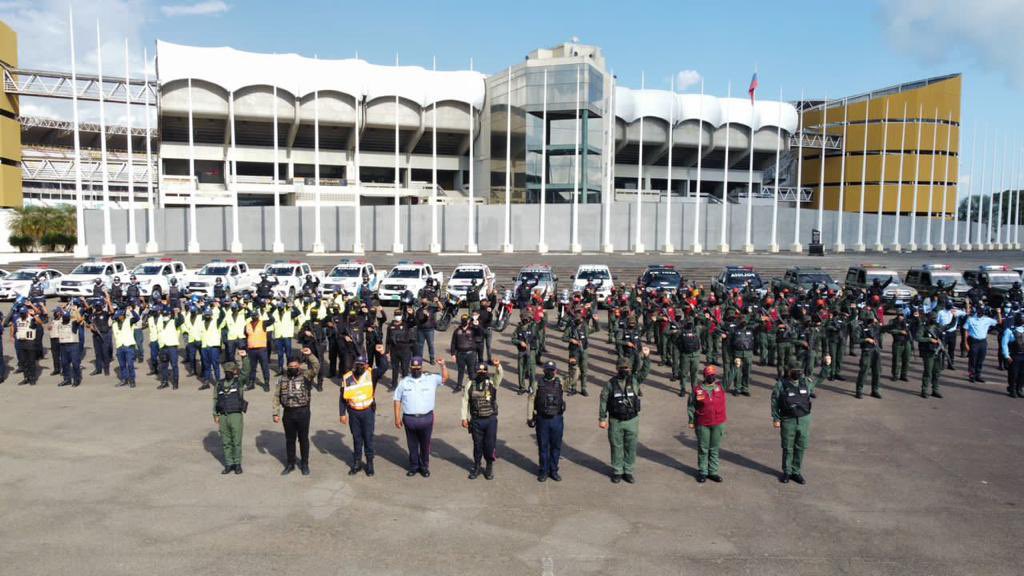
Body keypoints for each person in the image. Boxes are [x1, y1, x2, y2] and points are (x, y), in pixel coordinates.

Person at [771, 356, 830, 484]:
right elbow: (774, 402)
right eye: (795, 370)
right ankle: (787, 471)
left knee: (801, 447)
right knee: (788, 447)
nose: (797, 372)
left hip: (804, 420)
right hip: (788, 420)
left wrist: (826, 365)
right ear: (788, 371)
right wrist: (776, 418)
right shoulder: (781, 385)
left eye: (799, 370)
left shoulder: (806, 382)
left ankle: (796, 472)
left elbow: (820, 380)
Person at [598, 345, 651, 484]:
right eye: (622, 368)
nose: (624, 370)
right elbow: (603, 400)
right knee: (616, 447)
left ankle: (628, 471)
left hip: (632, 420)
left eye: (626, 368)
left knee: (631, 446)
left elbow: (645, 371)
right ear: (617, 369)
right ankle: (617, 471)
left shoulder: (634, 380)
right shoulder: (610, 384)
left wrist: (647, 357)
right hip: (615, 420)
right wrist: (602, 418)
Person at [393, 357, 449, 477]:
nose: (416, 370)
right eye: (414, 368)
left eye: (418, 368)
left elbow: (444, 379)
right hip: (409, 419)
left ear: (422, 368)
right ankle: (414, 466)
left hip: (426, 419)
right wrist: (397, 417)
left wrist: (443, 366)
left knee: (425, 445)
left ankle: (424, 466)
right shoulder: (404, 382)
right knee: (412, 445)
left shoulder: (431, 379)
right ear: (410, 368)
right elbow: (397, 400)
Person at [271, 349, 320, 476]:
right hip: (288, 413)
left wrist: (309, 355)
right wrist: (275, 413)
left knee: (303, 439)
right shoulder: (282, 379)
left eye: (295, 366)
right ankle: (290, 464)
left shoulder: (305, 375)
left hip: (302, 411)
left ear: (299, 366)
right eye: (290, 366)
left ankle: (304, 464)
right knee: (290, 440)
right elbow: (277, 396)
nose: (292, 368)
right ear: (287, 366)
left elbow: (316, 367)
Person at [461, 359, 503, 480]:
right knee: (477, 445)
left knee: (490, 446)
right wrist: (464, 418)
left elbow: (499, 375)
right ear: (475, 371)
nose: (481, 372)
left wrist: (498, 366)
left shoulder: (492, 383)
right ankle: (477, 466)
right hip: (476, 420)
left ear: (486, 371)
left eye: (484, 370)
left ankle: (489, 467)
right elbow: (465, 401)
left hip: (490, 420)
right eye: (479, 371)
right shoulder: (470, 384)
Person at [527, 361, 565, 482]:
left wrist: (574, 366)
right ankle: (543, 470)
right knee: (543, 447)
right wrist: (529, 417)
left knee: (556, 447)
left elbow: (574, 379)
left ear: (556, 371)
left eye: (552, 369)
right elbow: (531, 400)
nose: (550, 372)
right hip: (542, 419)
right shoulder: (537, 383)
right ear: (543, 371)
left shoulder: (561, 382)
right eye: (547, 369)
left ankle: (553, 470)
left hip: (556, 419)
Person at [688, 365, 727, 483]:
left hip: (718, 423)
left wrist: (736, 366)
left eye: (713, 375)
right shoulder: (697, 389)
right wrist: (691, 420)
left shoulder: (721, 387)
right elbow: (691, 406)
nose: (711, 377)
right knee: (703, 448)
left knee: (714, 448)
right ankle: (702, 472)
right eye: (709, 375)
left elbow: (730, 376)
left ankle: (713, 472)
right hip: (702, 423)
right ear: (704, 376)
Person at [340, 355, 376, 476]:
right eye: (357, 364)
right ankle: (357, 463)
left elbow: (384, 367)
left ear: (366, 365)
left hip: (367, 412)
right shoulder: (347, 377)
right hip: (354, 412)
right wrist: (342, 413)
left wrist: (381, 354)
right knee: (357, 438)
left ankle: (370, 464)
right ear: (354, 365)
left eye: (362, 364)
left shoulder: (371, 374)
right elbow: (342, 397)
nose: (359, 367)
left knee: (368, 438)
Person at [213, 362, 247, 474]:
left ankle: (237, 464)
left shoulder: (239, 382)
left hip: (235, 415)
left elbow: (246, 371)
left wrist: (244, 357)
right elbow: (215, 399)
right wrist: (215, 414)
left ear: (234, 372)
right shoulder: (219, 384)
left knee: (236, 441)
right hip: (223, 415)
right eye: (226, 372)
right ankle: (228, 464)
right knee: (226, 441)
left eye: (230, 372)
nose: (228, 374)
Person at [965, 305, 999, 383]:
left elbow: (998, 322)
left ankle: (978, 375)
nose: (981, 313)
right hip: (974, 342)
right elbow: (965, 331)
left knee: (981, 359)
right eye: (980, 312)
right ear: (977, 312)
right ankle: (972, 375)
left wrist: (999, 313)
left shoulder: (987, 319)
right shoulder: (971, 320)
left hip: (983, 342)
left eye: (982, 312)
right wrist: (966, 343)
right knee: (973, 359)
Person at [917, 314, 946, 399]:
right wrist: (929, 339)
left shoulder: (937, 326)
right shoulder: (923, 327)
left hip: (937, 351)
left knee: (937, 372)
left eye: (935, 318)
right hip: (928, 353)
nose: (934, 319)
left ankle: (935, 390)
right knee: (928, 372)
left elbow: (944, 330)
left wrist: (939, 340)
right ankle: (924, 390)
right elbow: (918, 337)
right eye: (932, 318)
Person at [1000, 313, 1024, 398]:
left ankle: (1019, 389)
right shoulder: (1009, 330)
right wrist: (1006, 355)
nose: (1022, 320)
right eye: (1021, 318)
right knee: (1013, 374)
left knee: (1022, 374)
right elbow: (1004, 344)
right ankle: (1012, 389)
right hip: (1014, 355)